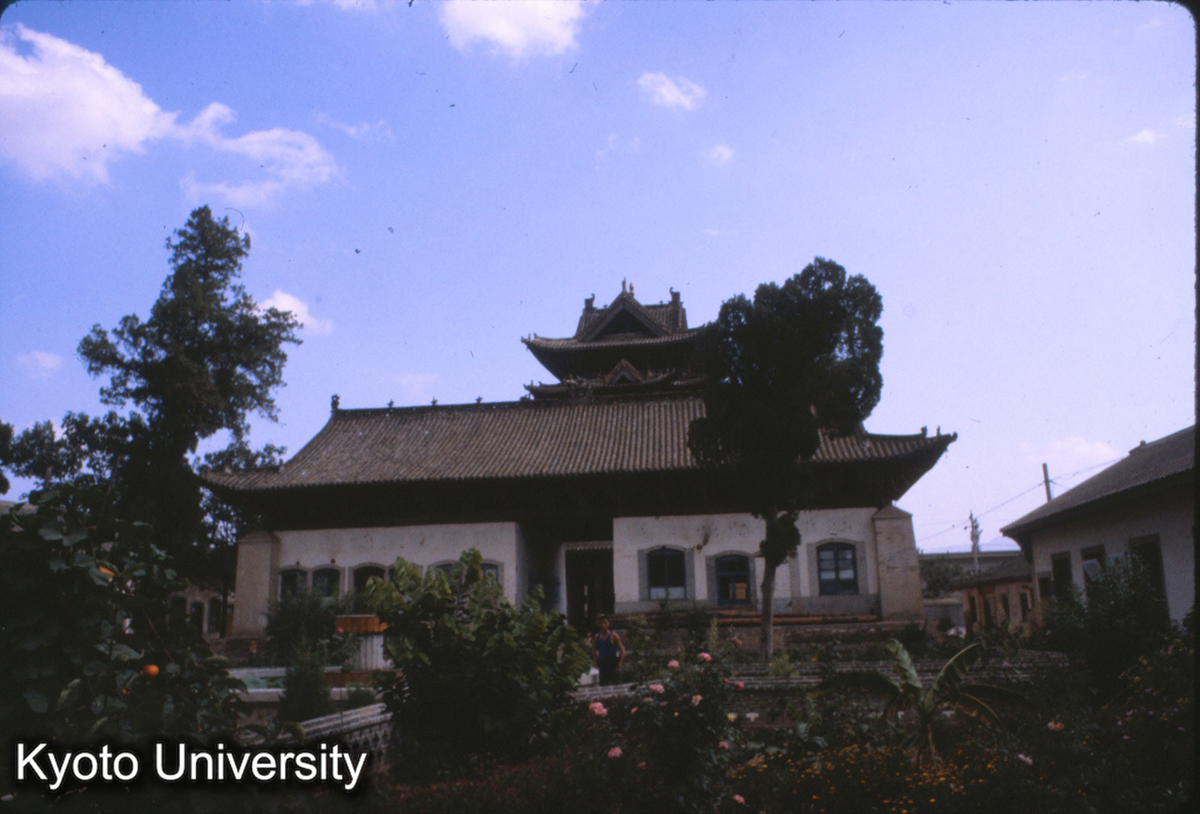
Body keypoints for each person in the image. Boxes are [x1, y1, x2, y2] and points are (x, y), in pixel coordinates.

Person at [592, 614, 625, 686]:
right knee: (603, 684)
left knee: (616, 684)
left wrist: (619, 664)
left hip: (613, 662)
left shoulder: (613, 636)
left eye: (605, 623)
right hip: (603, 662)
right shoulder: (596, 636)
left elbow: (622, 649)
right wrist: (595, 662)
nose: (603, 625)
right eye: (601, 623)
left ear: (608, 624)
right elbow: (594, 649)